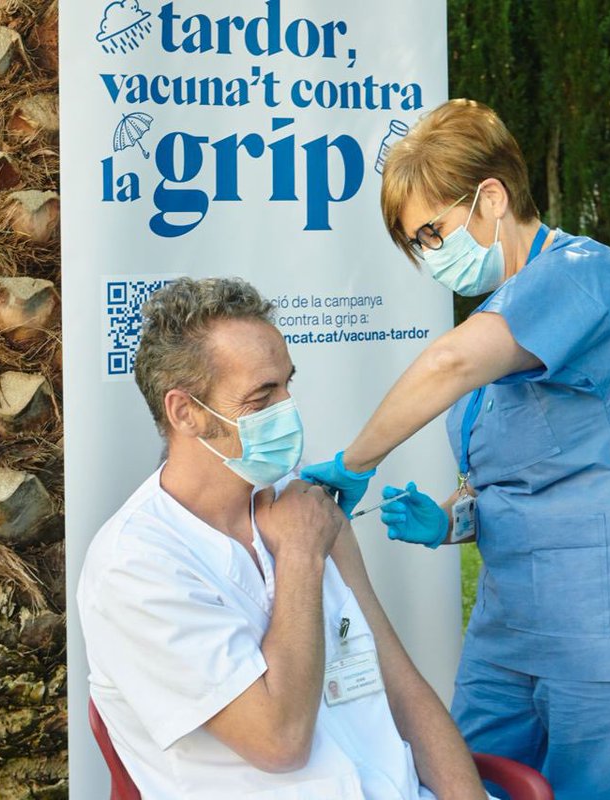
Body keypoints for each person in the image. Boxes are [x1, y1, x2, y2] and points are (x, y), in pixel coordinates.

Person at [301, 99, 610, 800]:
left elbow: (447, 367)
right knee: (456, 783)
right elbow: (516, 479)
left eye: (431, 232)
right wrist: (453, 520)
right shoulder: (502, 315)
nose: (427, 256)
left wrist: (354, 462)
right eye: (416, 244)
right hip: (516, 627)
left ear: (492, 198)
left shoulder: (582, 276)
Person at [76, 277, 490, 799]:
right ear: (186, 413)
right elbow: (280, 742)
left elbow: (403, 689)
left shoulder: (304, 509)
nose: (288, 409)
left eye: (287, 385)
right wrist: (299, 554)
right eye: (263, 395)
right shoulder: (135, 567)